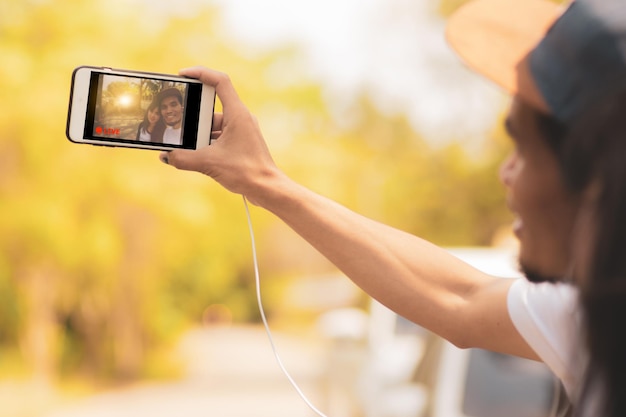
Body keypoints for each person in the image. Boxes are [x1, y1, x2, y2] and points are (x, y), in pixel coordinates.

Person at [160, 0, 626, 415]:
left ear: (599, 174)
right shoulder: (593, 315)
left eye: (522, 148)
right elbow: (460, 299)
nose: (507, 173)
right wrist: (264, 181)